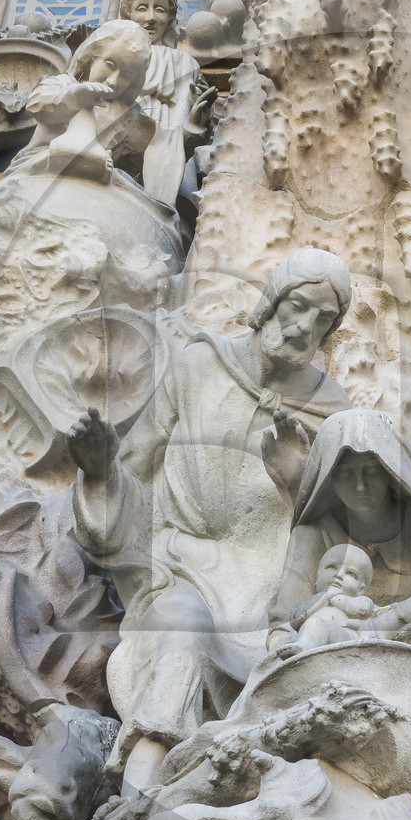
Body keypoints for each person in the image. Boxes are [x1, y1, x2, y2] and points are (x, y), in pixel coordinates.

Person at [66, 249, 353, 789]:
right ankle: (143, 786)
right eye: (297, 307)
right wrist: (102, 474)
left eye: (322, 321)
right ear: (269, 303)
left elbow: (344, 533)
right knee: (182, 627)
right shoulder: (200, 366)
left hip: (272, 593)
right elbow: (138, 470)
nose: (302, 329)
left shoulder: (331, 412)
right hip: (185, 565)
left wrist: (298, 481)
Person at [269, 408, 411, 763]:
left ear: (392, 472)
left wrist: (386, 623)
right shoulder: (314, 534)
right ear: (329, 479)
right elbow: (284, 623)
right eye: (346, 474)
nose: (360, 486)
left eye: (371, 472)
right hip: (335, 668)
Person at [9, 19, 154, 186]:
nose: (113, 81)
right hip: (41, 165)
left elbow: (149, 154)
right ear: (91, 56)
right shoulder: (66, 83)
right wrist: (75, 97)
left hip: (96, 180)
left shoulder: (129, 114)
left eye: (126, 76)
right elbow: (36, 104)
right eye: (110, 65)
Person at [119, 0, 201, 207]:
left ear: (170, 17)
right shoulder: (114, 57)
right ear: (128, 13)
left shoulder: (183, 62)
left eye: (160, 10)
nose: (151, 18)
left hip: (168, 141)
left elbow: (182, 116)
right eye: (142, 8)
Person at [286, 541, 379, 649]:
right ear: (318, 576)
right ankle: (302, 648)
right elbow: (295, 618)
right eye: (332, 567)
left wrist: (336, 598)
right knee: (310, 626)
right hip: (312, 631)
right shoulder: (314, 600)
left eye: (350, 573)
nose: (338, 575)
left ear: (361, 589)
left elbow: (362, 609)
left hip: (345, 637)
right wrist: (324, 597)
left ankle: (302, 648)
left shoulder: (362, 600)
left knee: (316, 624)